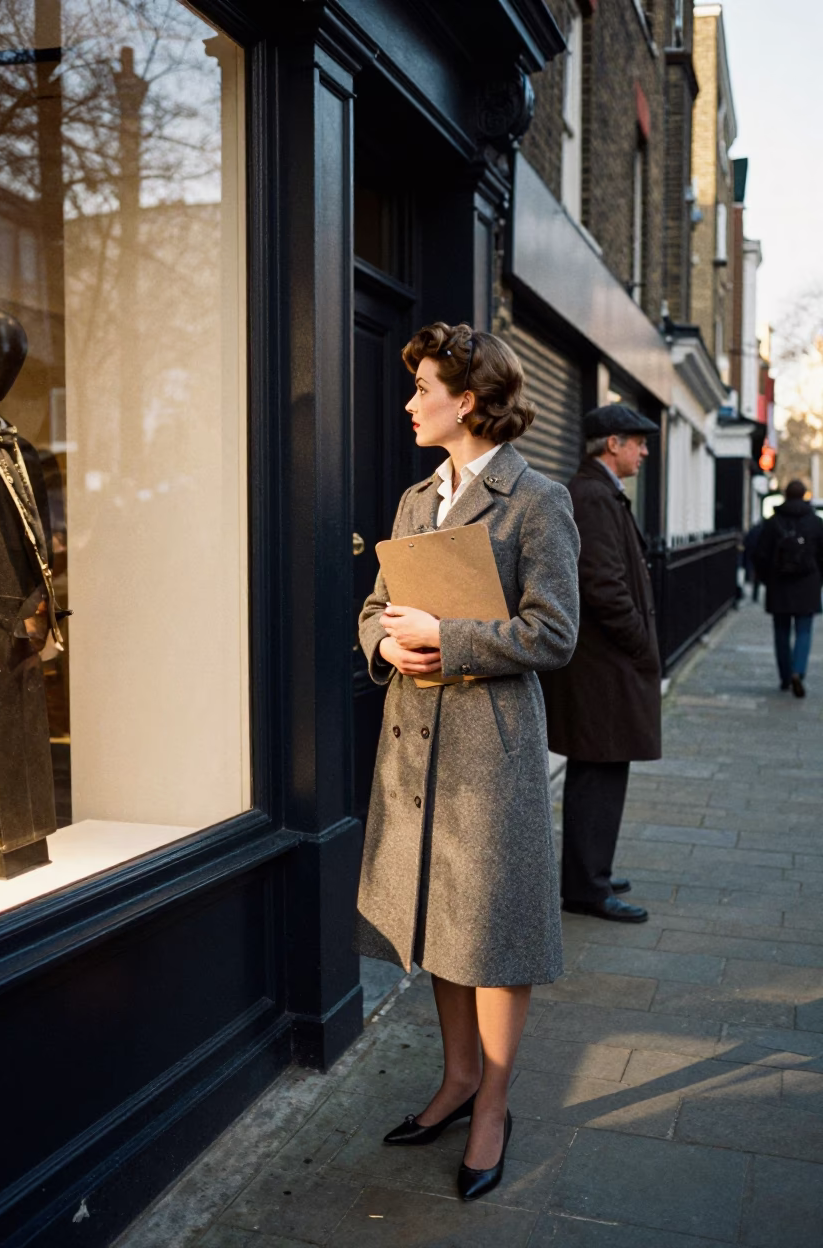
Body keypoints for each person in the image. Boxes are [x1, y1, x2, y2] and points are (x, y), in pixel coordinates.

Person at [355, 321, 580, 1202]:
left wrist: (446, 641)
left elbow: (554, 633)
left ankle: (491, 1104)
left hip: (492, 753)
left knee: (493, 934)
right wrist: (385, 644)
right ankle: (452, 1080)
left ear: (472, 400)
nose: (410, 402)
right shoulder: (418, 499)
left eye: (424, 389)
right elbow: (376, 604)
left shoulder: (537, 501)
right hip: (414, 753)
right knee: (440, 921)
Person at [541, 404, 662, 924]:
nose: (644, 450)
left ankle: (594, 872)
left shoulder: (596, 491)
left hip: (604, 665)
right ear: (611, 443)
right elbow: (603, 585)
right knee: (598, 771)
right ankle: (587, 888)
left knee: (604, 769)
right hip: (603, 667)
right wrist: (641, 645)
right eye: (638, 442)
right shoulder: (591, 495)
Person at [754, 479, 823, 697]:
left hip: (779, 584)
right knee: (804, 631)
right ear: (804, 495)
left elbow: (760, 554)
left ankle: (785, 676)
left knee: (781, 632)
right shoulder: (815, 523)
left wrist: (767, 579)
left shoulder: (773, 522)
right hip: (808, 584)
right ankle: (798, 671)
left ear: (785, 495)